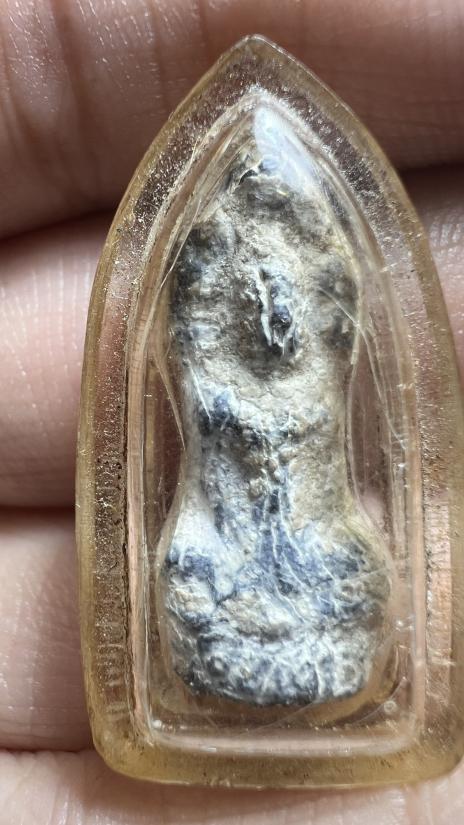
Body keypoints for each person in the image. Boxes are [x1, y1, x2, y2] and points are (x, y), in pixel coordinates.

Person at [0, 1, 462, 821]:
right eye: (254, 295)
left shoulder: (322, 369)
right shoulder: (207, 379)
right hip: (226, 548)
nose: (273, 314)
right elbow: (215, 451)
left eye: (289, 296)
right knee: (185, 570)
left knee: (356, 570)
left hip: (312, 550)